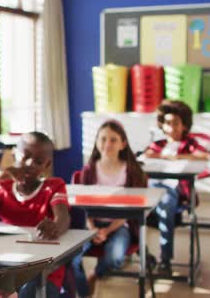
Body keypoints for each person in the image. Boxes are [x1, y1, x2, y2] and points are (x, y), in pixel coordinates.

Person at [0, 132, 71, 298]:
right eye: (25, 156)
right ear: (14, 155)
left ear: (47, 165)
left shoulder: (53, 186)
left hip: (43, 271)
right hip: (6, 266)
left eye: (39, 161)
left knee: (28, 292)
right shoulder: (3, 186)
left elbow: (63, 218)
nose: (30, 164)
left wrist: (55, 226)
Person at [70, 120, 147, 297]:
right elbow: (82, 206)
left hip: (120, 226)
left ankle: (96, 274)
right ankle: (84, 294)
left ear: (123, 144)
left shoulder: (133, 171)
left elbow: (133, 210)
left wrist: (107, 230)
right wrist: (93, 228)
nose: (107, 144)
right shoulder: (89, 171)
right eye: (103, 139)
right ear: (97, 142)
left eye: (113, 140)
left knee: (115, 258)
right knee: (72, 261)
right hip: (91, 226)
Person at [143, 99, 210, 275]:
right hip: (153, 187)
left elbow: (203, 155)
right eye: (167, 123)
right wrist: (161, 156)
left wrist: (176, 158)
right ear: (162, 125)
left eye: (176, 123)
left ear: (184, 125)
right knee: (135, 207)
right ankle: (144, 254)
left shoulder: (189, 143)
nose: (171, 127)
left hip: (176, 192)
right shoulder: (158, 144)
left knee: (165, 203)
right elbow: (146, 155)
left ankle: (165, 260)